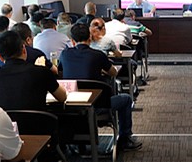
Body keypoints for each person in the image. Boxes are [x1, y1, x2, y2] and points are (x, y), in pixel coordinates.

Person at [59, 23, 142, 151]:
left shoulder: (64, 54)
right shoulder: (97, 55)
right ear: (90, 38)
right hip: (99, 106)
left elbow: (60, 71)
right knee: (126, 99)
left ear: (72, 40)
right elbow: (113, 72)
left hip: (72, 107)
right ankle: (125, 139)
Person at [0, 30, 66, 111]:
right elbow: (62, 97)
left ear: (0, 57)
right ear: (24, 49)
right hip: (38, 119)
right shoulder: (41, 72)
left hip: (7, 119)